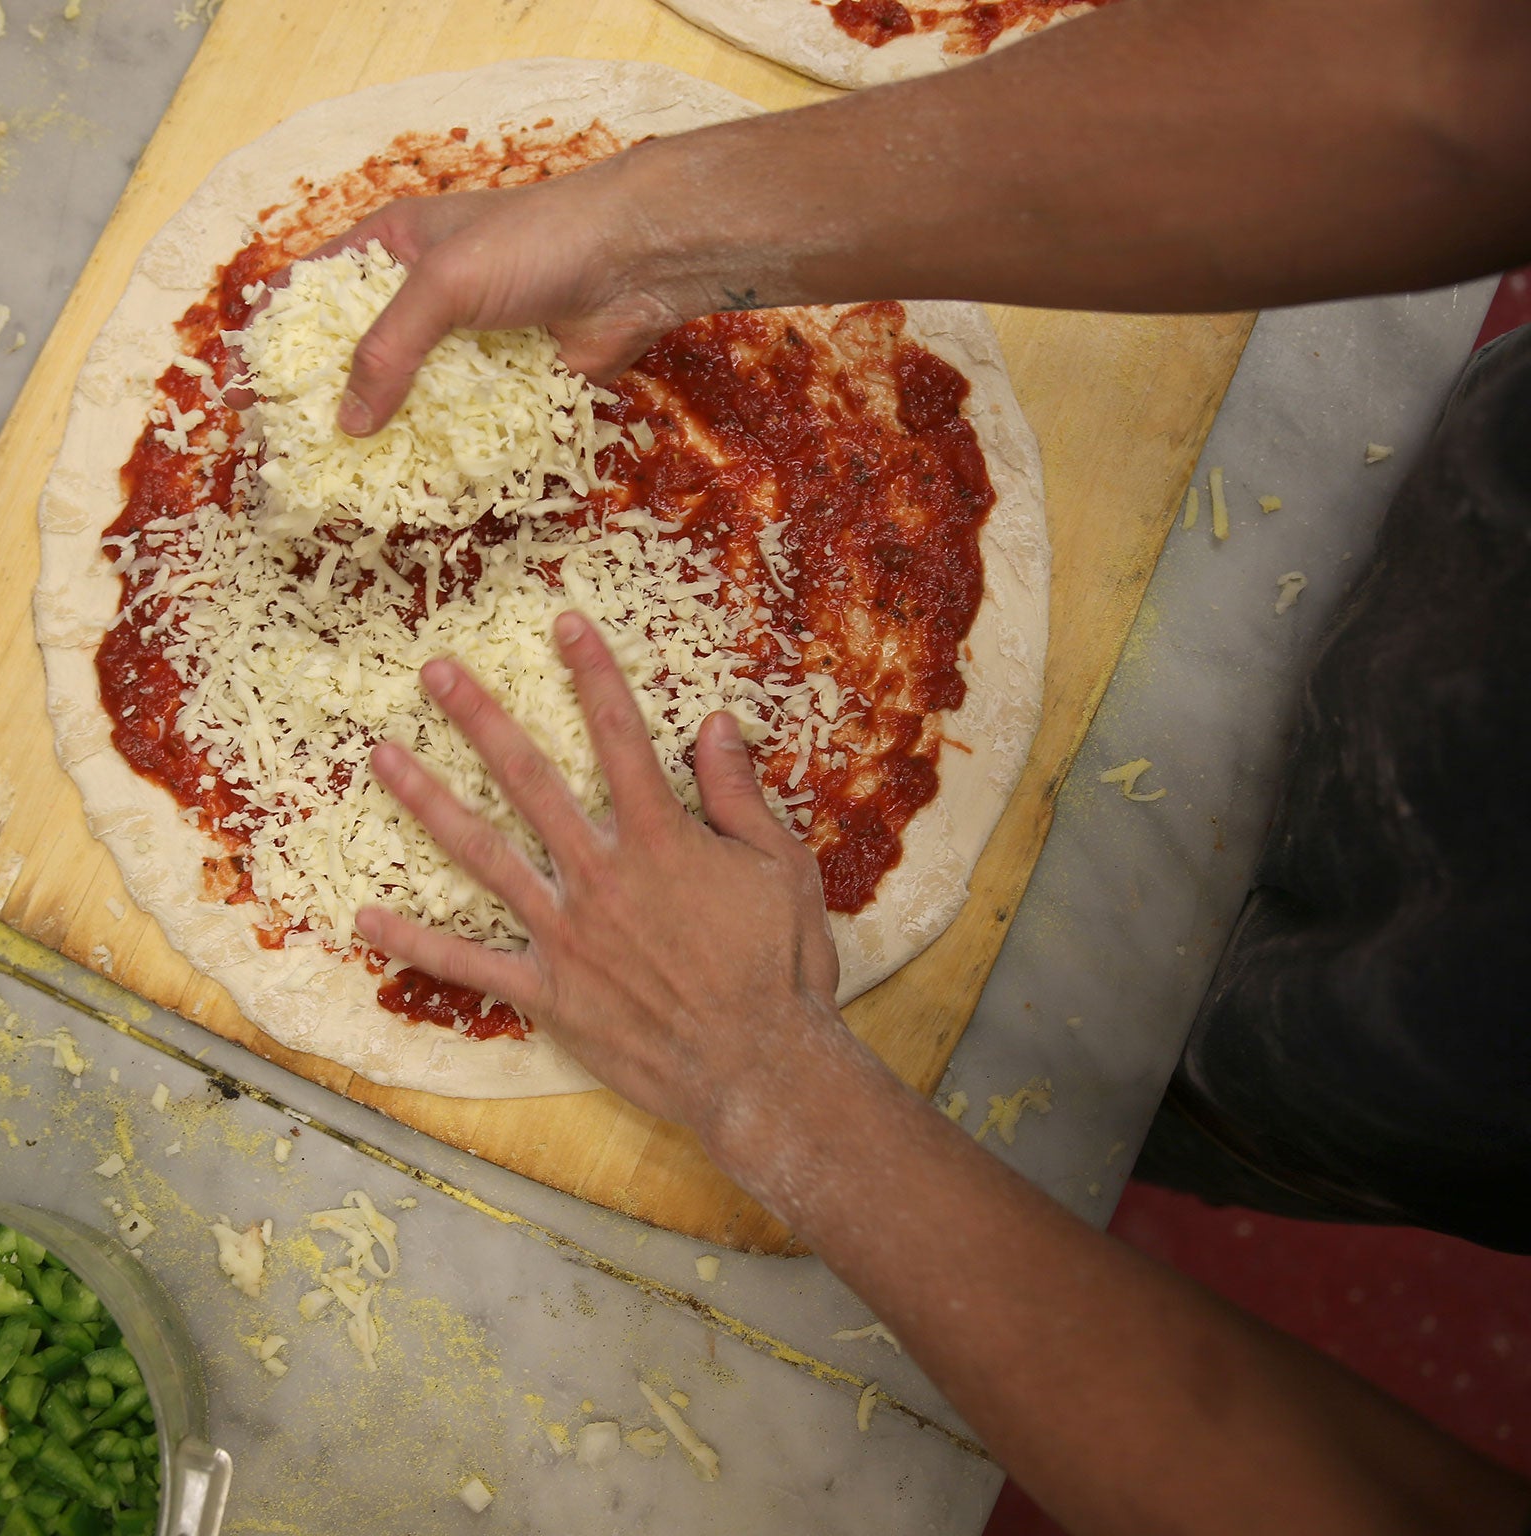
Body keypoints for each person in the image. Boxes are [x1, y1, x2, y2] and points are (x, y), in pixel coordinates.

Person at [318, 0, 1531, 1530]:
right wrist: (652, 235)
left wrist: (771, 1089)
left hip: (1441, 1059)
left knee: (1163, 1068)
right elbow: (1451, 91)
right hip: (1478, 556)